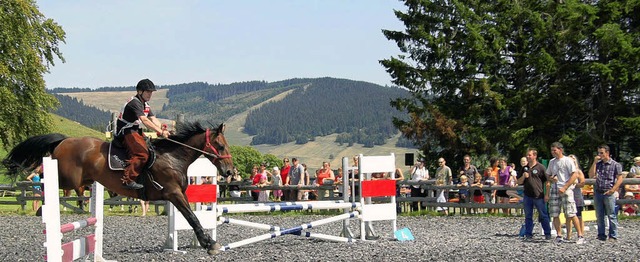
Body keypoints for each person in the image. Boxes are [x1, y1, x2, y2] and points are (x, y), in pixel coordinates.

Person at [115, 79, 169, 190]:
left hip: (134, 130)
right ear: (140, 92)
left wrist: (163, 129)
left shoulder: (145, 104)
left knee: (152, 150)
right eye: (148, 92)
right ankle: (128, 180)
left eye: (151, 92)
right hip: (126, 132)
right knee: (142, 154)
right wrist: (159, 132)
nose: (150, 94)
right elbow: (145, 121)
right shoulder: (135, 103)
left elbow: (153, 119)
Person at [547, 142, 584, 244]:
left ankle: (580, 235)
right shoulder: (552, 162)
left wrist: (565, 186)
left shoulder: (567, 160)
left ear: (560, 150)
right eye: (552, 150)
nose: (553, 152)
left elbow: (574, 174)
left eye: (554, 150)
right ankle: (559, 235)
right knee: (555, 213)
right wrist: (551, 178)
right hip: (555, 188)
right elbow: (547, 175)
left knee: (571, 213)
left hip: (566, 189)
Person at [588, 144, 624, 241]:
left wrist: (613, 190)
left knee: (611, 215)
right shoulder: (598, 164)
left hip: (609, 192)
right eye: (598, 153)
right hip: (598, 192)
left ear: (607, 153)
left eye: (601, 153)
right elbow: (591, 175)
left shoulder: (615, 164)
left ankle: (613, 235)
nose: (599, 155)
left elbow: (620, 178)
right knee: (599, 215)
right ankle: (601, 234)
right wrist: (594, 163)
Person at [516, 148, 551, 241]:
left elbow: (547, 182)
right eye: (527, 155)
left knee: (543, 215)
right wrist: (523, 176)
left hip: (538, 195)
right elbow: (518, 182)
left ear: (535, 156)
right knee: (528, 216)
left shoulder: (541, 167)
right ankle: (528, 234)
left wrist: (547, 194)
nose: (528, 156)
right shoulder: (524, 168)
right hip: (527, 195)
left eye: (529, 155)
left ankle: (548, 233)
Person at [566, 154, 586, 242]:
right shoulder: (565, 171)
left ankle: (581, 233)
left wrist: (573, 184)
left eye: (573, 159)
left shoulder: (578, 171)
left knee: (579, 215)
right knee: (568, 215)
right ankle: (568, 235)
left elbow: (582, 183)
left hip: (577, 194)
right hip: (568, 194)